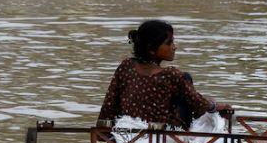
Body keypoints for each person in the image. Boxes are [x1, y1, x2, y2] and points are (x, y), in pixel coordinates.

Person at [98, 19, 231, 128]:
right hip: (159, 137)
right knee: (187, 79)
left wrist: (105, 134)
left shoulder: (126, 66)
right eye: (169, 43)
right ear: (151, 49)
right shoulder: (171, 75)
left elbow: (109, 104)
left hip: (128, 135)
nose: (174, 47)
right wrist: (216, 106)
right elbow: (197, 103)